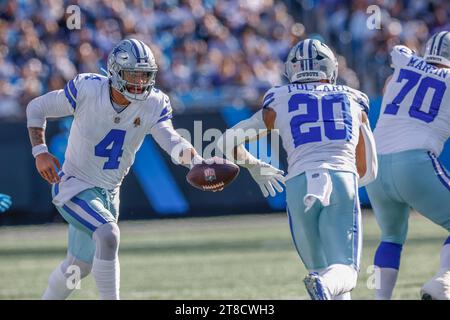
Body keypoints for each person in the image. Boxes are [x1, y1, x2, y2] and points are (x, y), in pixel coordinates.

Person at [26, 38, 217, 300]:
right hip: (74, 184)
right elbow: (37, 108)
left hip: (108, 193)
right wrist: (40, 152)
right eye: (133, 74)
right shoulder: (88, 89)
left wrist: (197, 162)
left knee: (78, 266)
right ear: (115, 72)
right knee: (108, 235)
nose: (140, 82)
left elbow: (171, 140)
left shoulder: (154, 103)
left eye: (145, 75)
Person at [218, 39, 377, 300]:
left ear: (291, 70)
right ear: (331, 69)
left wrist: (255, 166)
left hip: (298, 184)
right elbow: (365, 168)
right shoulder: (354, 99)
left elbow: (226, 142)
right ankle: (323, 284)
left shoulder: (278, 98)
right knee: (345, 272)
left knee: (324, 274)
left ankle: (322, 283)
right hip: (340, 178)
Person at [366, 31, 450, 300]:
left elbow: (393, 73)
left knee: (390, 236)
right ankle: (444, 281)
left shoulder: (404, 61)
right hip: (414, 163)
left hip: (376, 167)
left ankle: (381, 299)